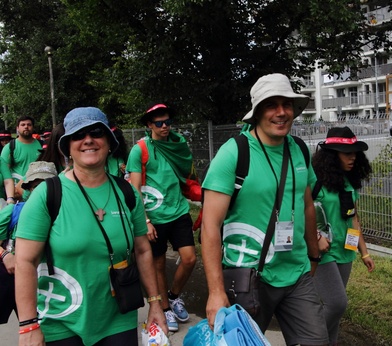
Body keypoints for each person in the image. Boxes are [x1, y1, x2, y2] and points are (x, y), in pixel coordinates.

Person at [14, 107, 166, 345]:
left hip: (119, 318)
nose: (88, 140)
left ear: (109, 142)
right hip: (62, 321)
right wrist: (28, 325)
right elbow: (25, 261)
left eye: (96, 132)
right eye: (78, 135)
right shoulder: (47, 194)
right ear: (67, 147)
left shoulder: (127, 194)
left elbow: (143, 250)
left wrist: (155, 303)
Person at [201, 73, 328, 346]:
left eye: (287, 104)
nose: (281, 112)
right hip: (248, 277)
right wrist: (215, 292)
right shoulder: (234, 153)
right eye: (272, 105)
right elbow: (210, 225)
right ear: (257, 112)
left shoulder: (300, 151)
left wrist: (313, 255)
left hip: (296, 274)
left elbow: (306, 203)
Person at [127, 103, 196, 332]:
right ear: (149, 125)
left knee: (189, 259)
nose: (165, 126)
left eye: (167, 122)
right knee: (157, 264)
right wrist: (144, 221)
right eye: (159, 123)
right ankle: (165, 308)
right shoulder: (140, 150)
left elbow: (187, 171)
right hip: (154, 217)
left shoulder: (177, 144)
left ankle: (174, 296)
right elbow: (135, 188)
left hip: (179, 211)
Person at [311, 126, 376, 346]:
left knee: (334, 308)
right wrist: (315, 237)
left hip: (345, 250)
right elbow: (301, 213)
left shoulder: (349, 182)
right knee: (337, 303)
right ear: (332, 155)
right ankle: (312, 338)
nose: (353, 158)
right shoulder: (315, 182)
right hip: (322, 252)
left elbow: (353, 218)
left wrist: (364, 252)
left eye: (355, 154)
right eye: (347, 153)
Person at [0, 161, 57, 325]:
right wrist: (5, 255)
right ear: (28, 189)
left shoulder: (64, 213)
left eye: (47, 185)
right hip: (16, 276)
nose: (41, 191)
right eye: (35, 186)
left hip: (51, 281)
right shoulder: (14, 211)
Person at [1, 116, 42, 200]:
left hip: (39, 191)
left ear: (33, 127)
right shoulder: (10, 147)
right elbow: (4, 172)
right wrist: (11, 194)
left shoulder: (42, 145)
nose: (26, 127)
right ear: (17, 128)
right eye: (23, 125)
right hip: (17, 193)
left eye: (29, 124)